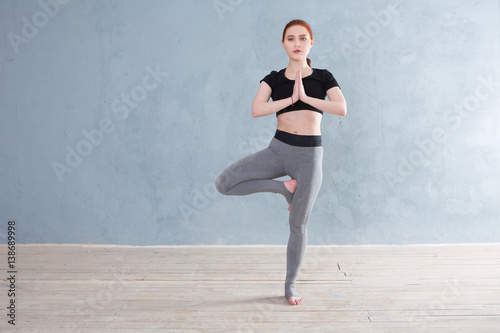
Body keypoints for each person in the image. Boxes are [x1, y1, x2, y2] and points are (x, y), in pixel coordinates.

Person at [215, 19, 347, 306]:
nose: (297, 44)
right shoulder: (273, 78)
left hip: (309, 157)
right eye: (290, 39)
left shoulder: (323, 77)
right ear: (283, 44)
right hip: (278, 149)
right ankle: (282, 189)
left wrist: (306, 98)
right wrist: (289, 99)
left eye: (303, 38)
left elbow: (341, 107)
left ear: (312, 43)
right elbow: (257, 109)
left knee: (298, 225)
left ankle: (290, 286)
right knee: (224, 184)